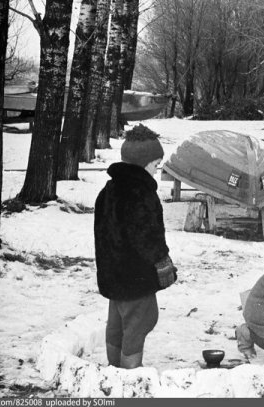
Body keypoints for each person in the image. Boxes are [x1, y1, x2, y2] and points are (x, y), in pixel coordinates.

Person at [94, 125, 177, 369]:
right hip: (135, 277)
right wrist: (163, 263)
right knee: (140, 322)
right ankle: (129, 376)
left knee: (117, 324)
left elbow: (103, 232)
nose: (156, 170)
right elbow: (148, 237)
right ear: (141, 164)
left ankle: (113, 370)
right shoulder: (141, 193)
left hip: (113, 274)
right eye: (155, 164)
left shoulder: (108, 190)